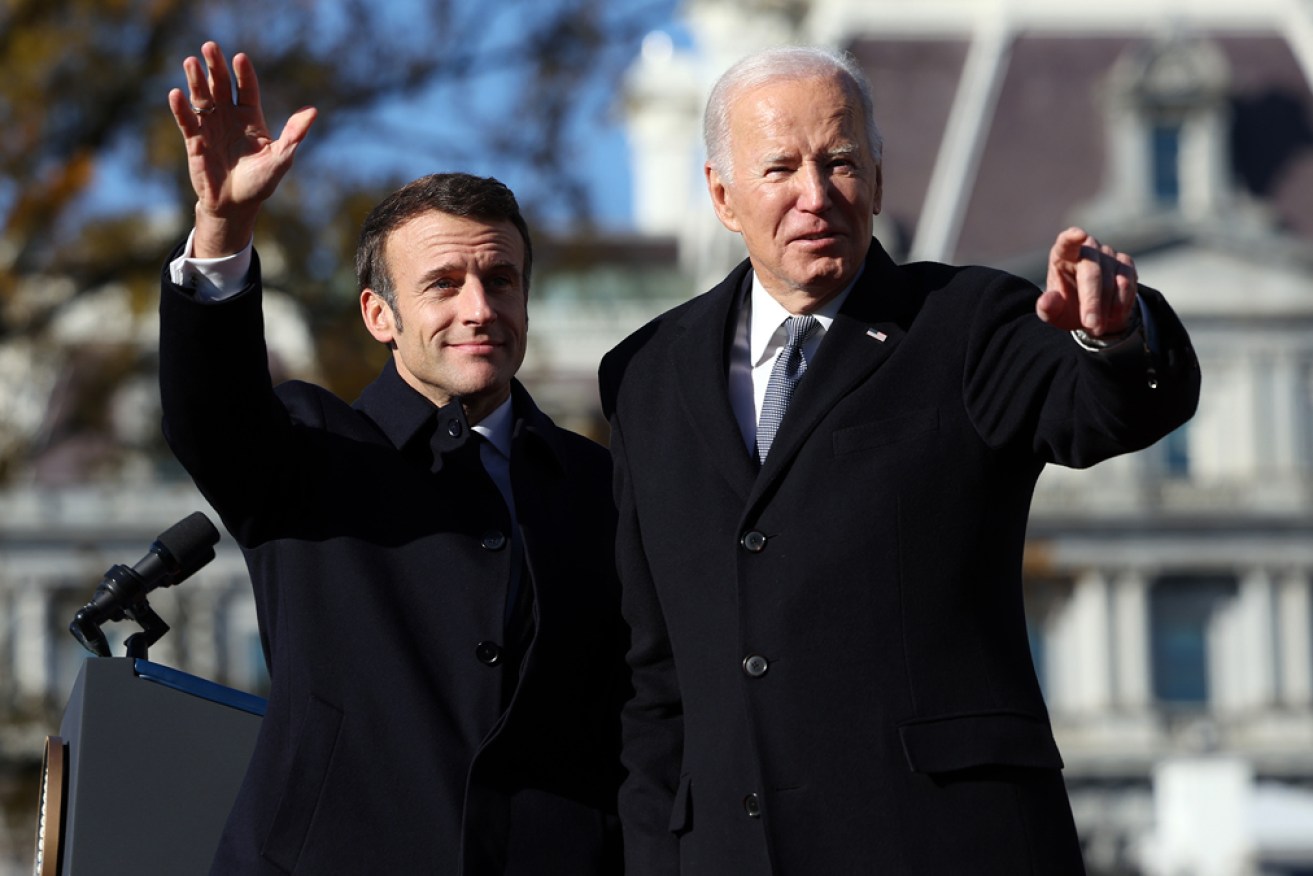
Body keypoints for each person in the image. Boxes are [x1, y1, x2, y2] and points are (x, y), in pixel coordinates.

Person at [598, 46, 1200, 874]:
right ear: (721, 195)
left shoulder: (966, 322)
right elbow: (654, 675)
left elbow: (1101, 411)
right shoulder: (645, 375)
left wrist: (1114, 336)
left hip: (945, 842)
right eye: (779, 168)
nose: (814, 196)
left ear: (877, 181)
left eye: (840, 162)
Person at [159, 42, 622, 874]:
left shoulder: (600, 488)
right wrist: (223, 230)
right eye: (443, 284)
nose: (479, 308)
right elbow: (210, 411)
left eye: (501, 279)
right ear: (380, 315)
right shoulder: (309, 455)